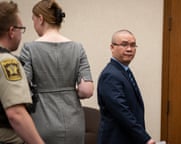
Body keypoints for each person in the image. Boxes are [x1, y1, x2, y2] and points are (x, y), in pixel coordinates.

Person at [19, 0, 94, 143]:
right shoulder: (77, 48)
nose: (34, 25)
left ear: (40, 18)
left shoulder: (29, 48)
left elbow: (23, 88)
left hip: (42, 121)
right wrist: (68, 92)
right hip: (74, 124)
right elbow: (87, 91)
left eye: (33, 20)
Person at [97, 29, 156, 144]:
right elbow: (122, 112)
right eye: (124, 44)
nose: (129, 49)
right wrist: (145, 138)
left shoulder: (123, 70)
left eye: (133, 45)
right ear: (112, 47)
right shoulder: (111, 75)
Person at [0, 1, 45, 144]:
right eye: (21, 28)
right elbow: (16, 114)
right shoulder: (8, 62)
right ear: (12, 31)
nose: (21, 33)